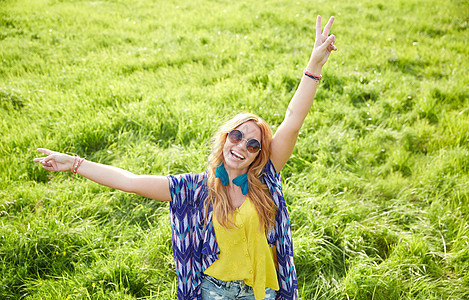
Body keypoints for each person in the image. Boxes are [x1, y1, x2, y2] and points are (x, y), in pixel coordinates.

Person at [33, 15, 337, 300]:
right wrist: (74, 163)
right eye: (236, 135)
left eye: (253, 144)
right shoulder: (195, 189)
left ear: (259, 155)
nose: (242, 146)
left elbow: (293, 118)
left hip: (262, 291)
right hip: (213, 291)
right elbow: (129, 181)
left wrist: (315, 64)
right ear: (225, 138)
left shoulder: (264, 179)